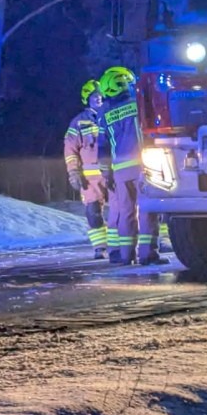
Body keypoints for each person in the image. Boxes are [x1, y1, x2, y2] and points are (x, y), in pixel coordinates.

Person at [97, 65, 167, 266]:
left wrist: (106, 173)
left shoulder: (104, 113)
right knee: (147, 210)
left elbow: (102, 147)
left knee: (125, 213)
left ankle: (126, 255)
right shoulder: (139, 104)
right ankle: (147, 254)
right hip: (144, 166)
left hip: (119, 171)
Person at [64, 79, 109, 259]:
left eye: (100, 96)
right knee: (93, 212)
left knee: (124, 211)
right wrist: (73, 172)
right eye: (94, 96)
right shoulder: (78, 123)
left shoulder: (110, 116)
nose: (98, 98)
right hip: (90, 179)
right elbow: (70, 149)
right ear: (87, 99)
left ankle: (123, 246)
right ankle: (100, 247)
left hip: (113, 173)